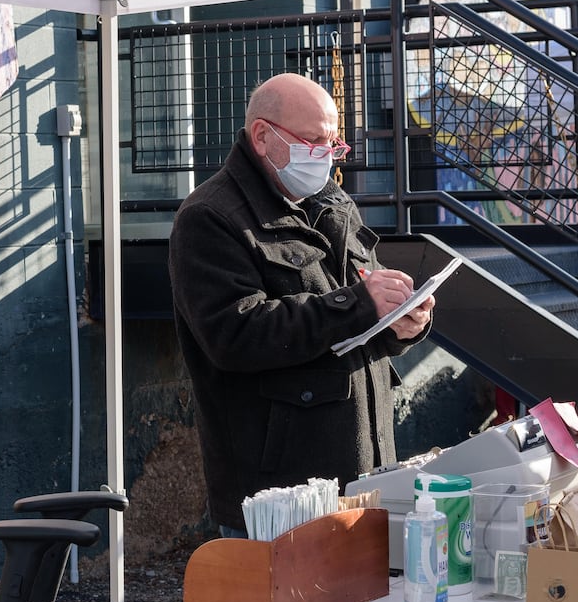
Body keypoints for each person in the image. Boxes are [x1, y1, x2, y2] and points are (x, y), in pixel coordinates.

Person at [168, 72, 433, 538]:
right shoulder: (209, 217)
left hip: (365, 475)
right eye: (313, 141)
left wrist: (399, 321)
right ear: (263, 137)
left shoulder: (333, 202)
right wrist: (357, 303)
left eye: (333, 143)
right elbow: (236, 336)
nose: (327, 156)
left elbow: (361, 308)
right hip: (279, 496)